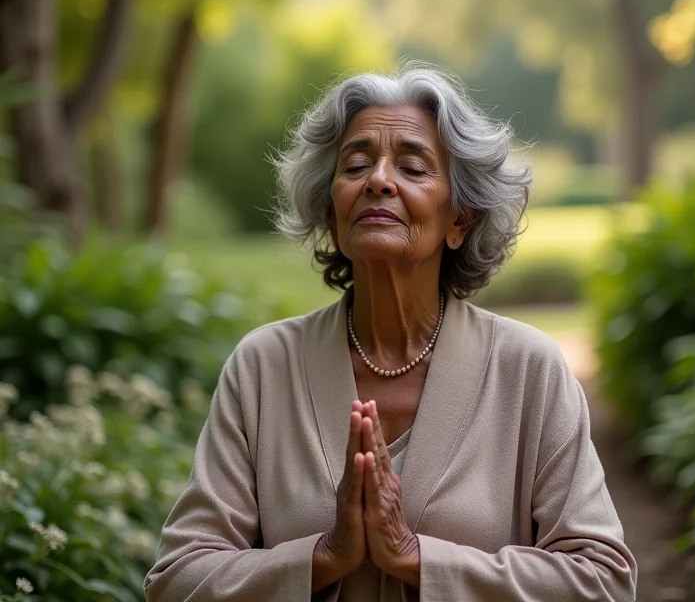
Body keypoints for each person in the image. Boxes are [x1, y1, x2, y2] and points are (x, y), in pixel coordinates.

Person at [145, 65, 637, 601]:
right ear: (333, 215)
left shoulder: (528, 369)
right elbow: (177, 580)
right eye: (355, 164)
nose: (378, 180)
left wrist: (413, 556)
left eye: (412, 166)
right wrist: (324, 556)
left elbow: (603, 580)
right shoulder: (264, 366)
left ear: (460, 220)